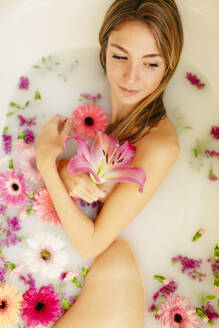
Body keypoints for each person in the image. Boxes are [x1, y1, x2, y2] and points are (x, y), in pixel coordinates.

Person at [36, 0, 184, 327]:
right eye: (120, 57)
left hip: (108, 278)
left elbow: (90, 244)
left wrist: (48, 163)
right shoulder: (98, 110)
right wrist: (65, 170)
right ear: (104, 51)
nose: (131, 78)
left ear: (168, 67)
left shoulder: (159, 143)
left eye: (150, 64)